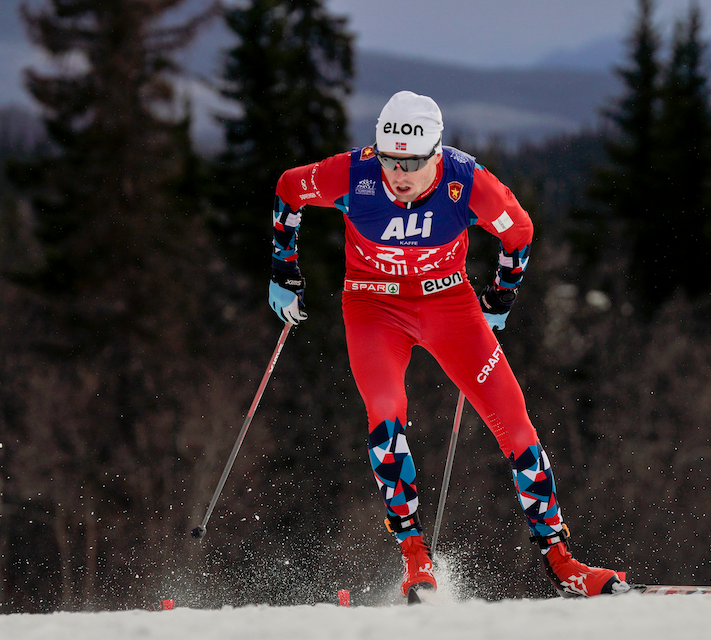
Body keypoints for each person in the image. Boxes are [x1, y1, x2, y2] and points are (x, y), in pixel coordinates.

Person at [267, 90, 629, 598]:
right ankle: (416, 559)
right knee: (385, 414)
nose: (400, 174)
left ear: (436, 154)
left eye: (413, 162)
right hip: (374, 307)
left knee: (516, 424)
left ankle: (562, 562)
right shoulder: (353, 174)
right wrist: (284, 267)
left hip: (448, 306)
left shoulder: (466, 181)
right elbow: (290, 188)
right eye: (391, 159)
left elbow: (519, 233)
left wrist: (499, 297)